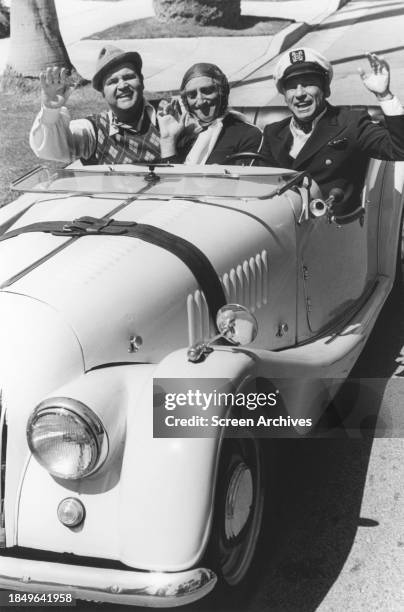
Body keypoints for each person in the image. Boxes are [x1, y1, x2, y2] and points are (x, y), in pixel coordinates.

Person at [259, 48, 404, 210]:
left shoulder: (351, 123)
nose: (299, 93)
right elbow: (258, 186)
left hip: (334, 228)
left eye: (308, 84)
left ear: (326, 89)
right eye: (292, 87)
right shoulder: (273, 132)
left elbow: (399, 150)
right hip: (281, 226)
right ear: (284, 95)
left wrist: (384, 96)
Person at [30, 45, 160, 165]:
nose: (122, 86)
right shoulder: (95, 130)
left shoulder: (168, 112)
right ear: (103, 92)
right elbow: (50, 150)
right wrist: (51, 111)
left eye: (129, 77)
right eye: (112, 81)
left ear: (142, 81)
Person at [157, 62, 262, 164]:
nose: (200, 101)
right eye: (192, 95)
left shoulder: (248, 135)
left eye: (207, 91)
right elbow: (171, 180)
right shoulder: (185, 138)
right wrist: (168, 140)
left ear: (222, 92)